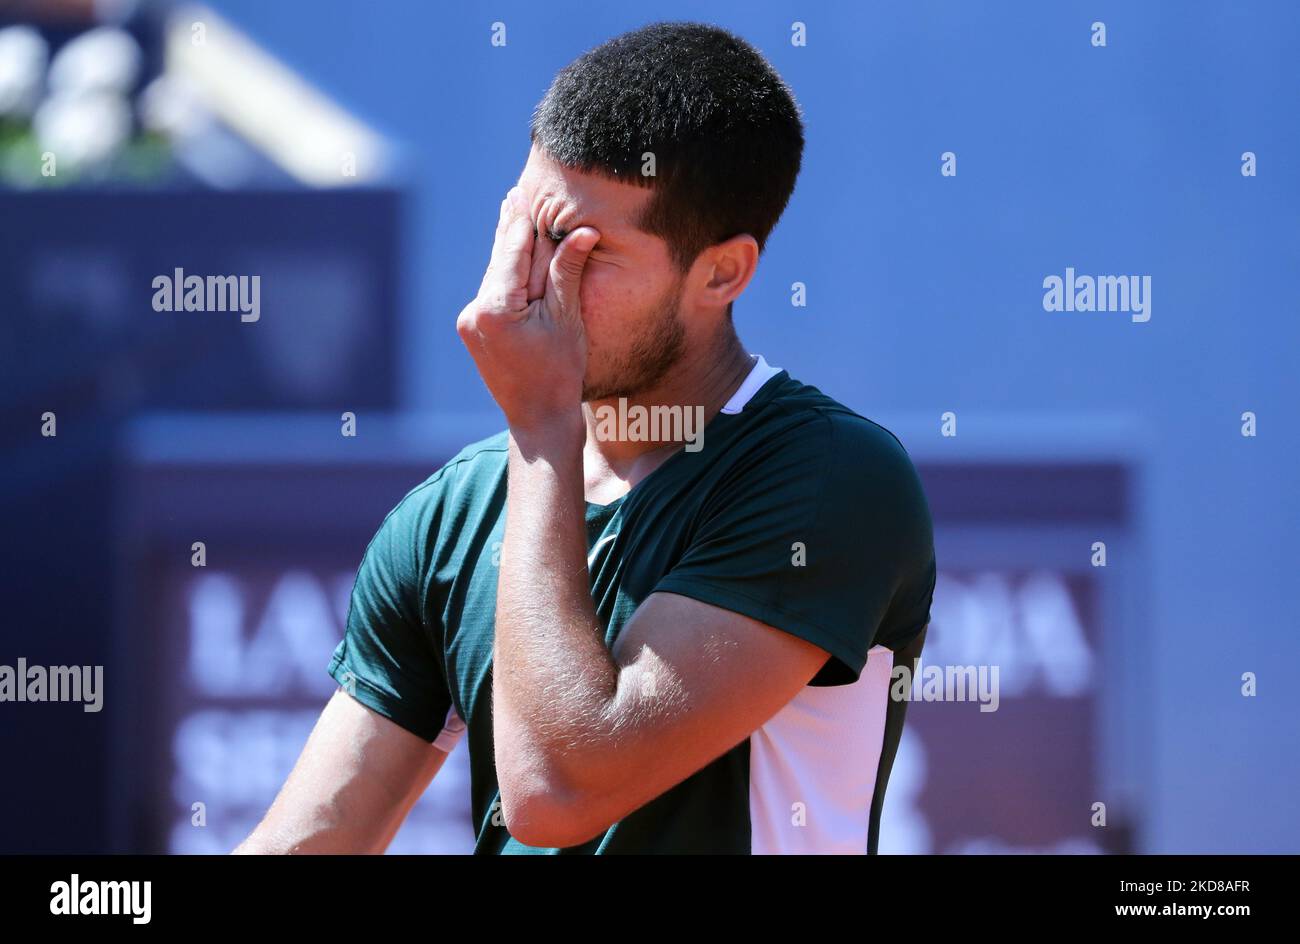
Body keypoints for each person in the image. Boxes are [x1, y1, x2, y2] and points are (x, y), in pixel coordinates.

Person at [236, 20, 935, 855]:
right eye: (530, 229)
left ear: (723, 272)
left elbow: (560, 790)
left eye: (586, 254)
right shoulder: (452, 513)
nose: (534, 283)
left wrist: (541, 423)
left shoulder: (830, 476)